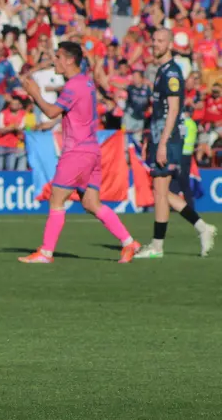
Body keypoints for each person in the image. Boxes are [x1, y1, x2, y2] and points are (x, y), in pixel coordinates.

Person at [18, 42, 140, 264]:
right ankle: (129, 242)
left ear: (69, 60)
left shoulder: (73, 85)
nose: (54, 61)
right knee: (91, 204)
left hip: (77, 151)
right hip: (92, 150)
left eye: (57, 57)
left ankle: (46, 253)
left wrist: (35, 93)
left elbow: (52, 111)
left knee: (56, 199)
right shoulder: (86, 81)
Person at [134, 30, 216, 258]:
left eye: (160, 41)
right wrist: (151, 139)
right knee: (160, 192)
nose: (155, 44)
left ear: (170, 44)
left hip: (168, 139)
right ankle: (202, 227)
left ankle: (157, 246)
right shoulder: (161, 71)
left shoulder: (171, 72)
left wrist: (162, 143)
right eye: (154, 40)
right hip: (161, 137)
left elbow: (173, 110)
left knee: (161, 192)